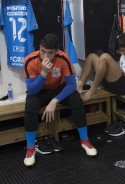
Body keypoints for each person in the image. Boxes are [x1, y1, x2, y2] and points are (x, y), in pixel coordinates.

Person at [23, 34, 97, 167]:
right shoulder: (30, 60)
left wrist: (54, 101)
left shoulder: (63, 58)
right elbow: (32, 90)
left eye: (50, 53)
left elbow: (71, 85)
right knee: (30, 104)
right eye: (43, 51)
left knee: (76, 99)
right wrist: (44, 73)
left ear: (56, 52)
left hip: (58, 88)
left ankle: (85, 141)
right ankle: (30, 149)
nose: (45, 56)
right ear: (39, 47)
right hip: (40, 91)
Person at [77, 33, 125, 102]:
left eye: (122, 50)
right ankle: (79, 86)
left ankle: (91, 91)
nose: (122, 53)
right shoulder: (124, 55)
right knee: (91, 56)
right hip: (113, 83)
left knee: (105, 56)